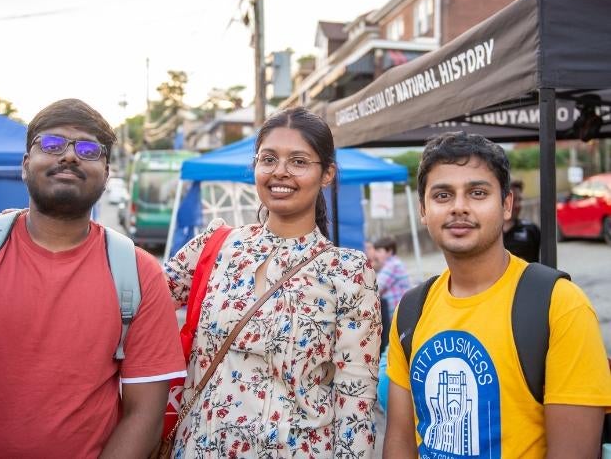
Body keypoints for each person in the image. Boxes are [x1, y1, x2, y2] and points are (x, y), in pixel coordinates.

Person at [0, 99, 186, 458]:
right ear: (25, 165)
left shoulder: (139, 274)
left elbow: (144, 415)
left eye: (88, 149)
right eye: (52, 144)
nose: (70, 156)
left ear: (106, 171)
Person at [165, 107, 381, 457]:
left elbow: (355, 399)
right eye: (268, 159)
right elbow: (137, 303)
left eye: (298, 161)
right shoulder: (215, 246)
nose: (280, 172)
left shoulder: (347, 271)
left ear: (327, 174)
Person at [383, 131, 611, 458]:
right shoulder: (412, 310)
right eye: (443, 195)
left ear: (506, 205)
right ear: (423, 210)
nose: (459, 207)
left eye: (477, 193)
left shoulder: (560, 305)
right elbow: (400, 444)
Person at [371, 235, 411, 413]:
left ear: (388, 251)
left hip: (398, 317)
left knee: (390, 357)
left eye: (379, 251)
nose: (376, 254)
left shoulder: (392, 265)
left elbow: (375, 287)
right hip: (395, 316)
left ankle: (387, 399)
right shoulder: (392, 265)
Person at [503, 179, 541, 262]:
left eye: (519, 200)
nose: (517, 205)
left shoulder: (531, 230)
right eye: (513, 200)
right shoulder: (488, 231)